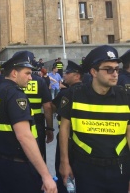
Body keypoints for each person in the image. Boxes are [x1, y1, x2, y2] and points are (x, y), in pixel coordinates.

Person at [59, 45, 130, 192]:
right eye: (108, 69)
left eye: (117, 69)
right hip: (86, 169)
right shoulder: (74, 95)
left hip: (119, 168)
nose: (115, 74)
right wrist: (64, 162)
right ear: (94, 72)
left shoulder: (125, 96)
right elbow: (64, 129)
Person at [0, 51, 57, 193]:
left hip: (2, 162)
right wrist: (46, 175)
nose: (31, 78)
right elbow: (24, 137)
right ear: (14, 73)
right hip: (21, 167)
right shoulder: (16, 96)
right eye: (27, 73)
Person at [52, 60, 83, 193]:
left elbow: (53, 107)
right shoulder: (89, 91)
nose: (64, 75)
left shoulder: (66, 93)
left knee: (63, 172)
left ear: (77, 76)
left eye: (68, 73)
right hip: (83, 140)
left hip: (67, 140)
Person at [23, 56, 54, 162]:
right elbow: (47, 106)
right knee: (38, 153)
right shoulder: (40, 81)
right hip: (37, 122)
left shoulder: (15, 82)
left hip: (17, 121)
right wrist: (49, 128)